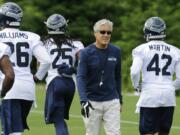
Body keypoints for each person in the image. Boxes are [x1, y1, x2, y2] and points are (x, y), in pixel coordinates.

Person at [0, 2, 52, 135]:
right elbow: (46, 61)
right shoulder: (31, 36)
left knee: (12, 132)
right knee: (16, 130)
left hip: (8, 88)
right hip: (27, 88)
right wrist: (37, 77)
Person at [130, 16, 180, 135]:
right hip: (168, 95)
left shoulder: (140, 49)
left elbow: (134, 71)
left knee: (147, 132)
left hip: (150, 94)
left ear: (147, 31)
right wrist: (170, 86)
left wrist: (137, 86)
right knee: (164, 131)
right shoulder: (176, 51)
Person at [76, 19, 123, 135]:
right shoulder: (86, 53)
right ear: (95, 33)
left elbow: (118, 76)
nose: (106, 35)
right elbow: (80, 77)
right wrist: (83, 101)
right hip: (91, 102)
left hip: (112, 101)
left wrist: (120, 99)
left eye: (109, 32)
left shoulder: (116, 51)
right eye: (102, 32)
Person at [43, 14, 84, 135]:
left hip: (55, 82)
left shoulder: (44, 44)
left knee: (58, 120)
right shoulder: (77, 43)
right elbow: (85, 62)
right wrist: (74, 69)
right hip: (70, 84)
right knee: (59, 119)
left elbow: (41, 65)